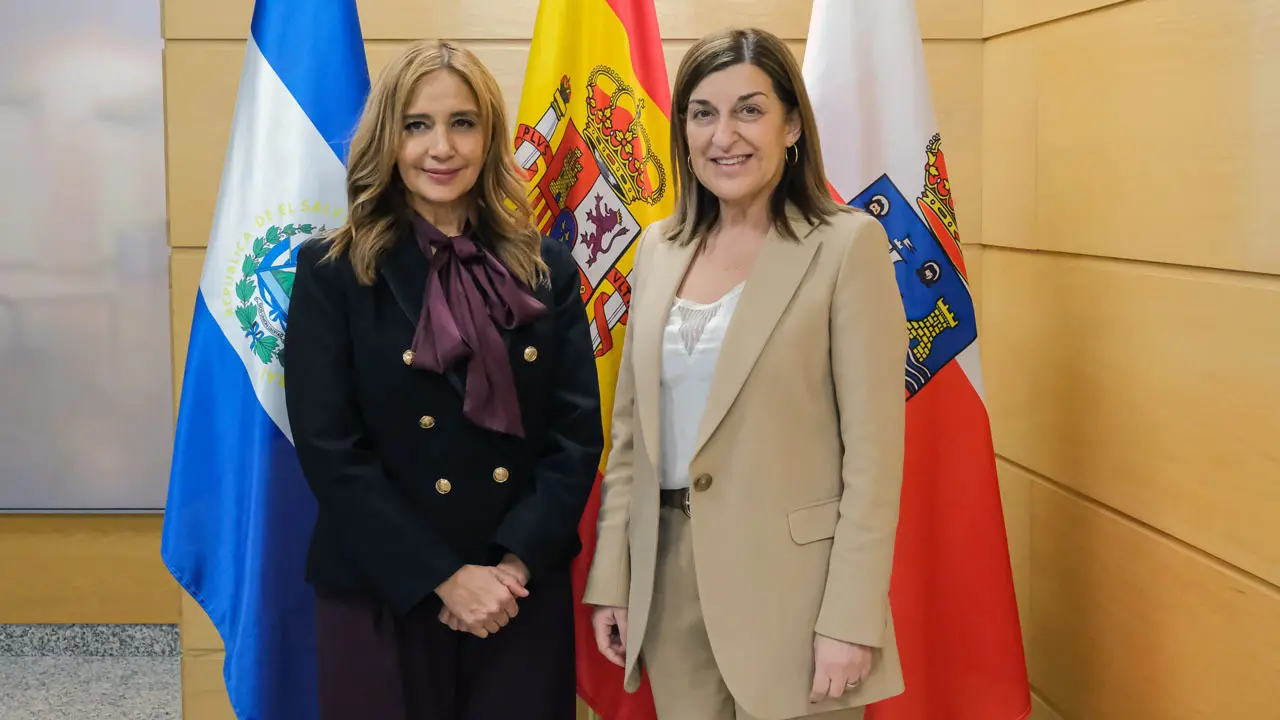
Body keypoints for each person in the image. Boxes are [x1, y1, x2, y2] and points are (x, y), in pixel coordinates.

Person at [583, 27, 908, 720]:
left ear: (792, 126)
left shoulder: (847, 245)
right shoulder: (658, 248)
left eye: (749, 110)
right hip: (670, 589)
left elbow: (874, 460)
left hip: (797, 597)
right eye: (703, 113)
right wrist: (614, 578)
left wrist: (851, 617)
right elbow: (631, 437)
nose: (723, 135)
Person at [284, 39, 603, 720]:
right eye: (417, 125)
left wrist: (512, 566)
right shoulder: (332, 273)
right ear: (387, 139)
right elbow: (330, 448)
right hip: (382, 585)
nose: (442, 148)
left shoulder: (547, 269)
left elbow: (575, 438)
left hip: (516, 590)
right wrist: (444, 577)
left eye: (463, 123)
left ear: (489, 137)